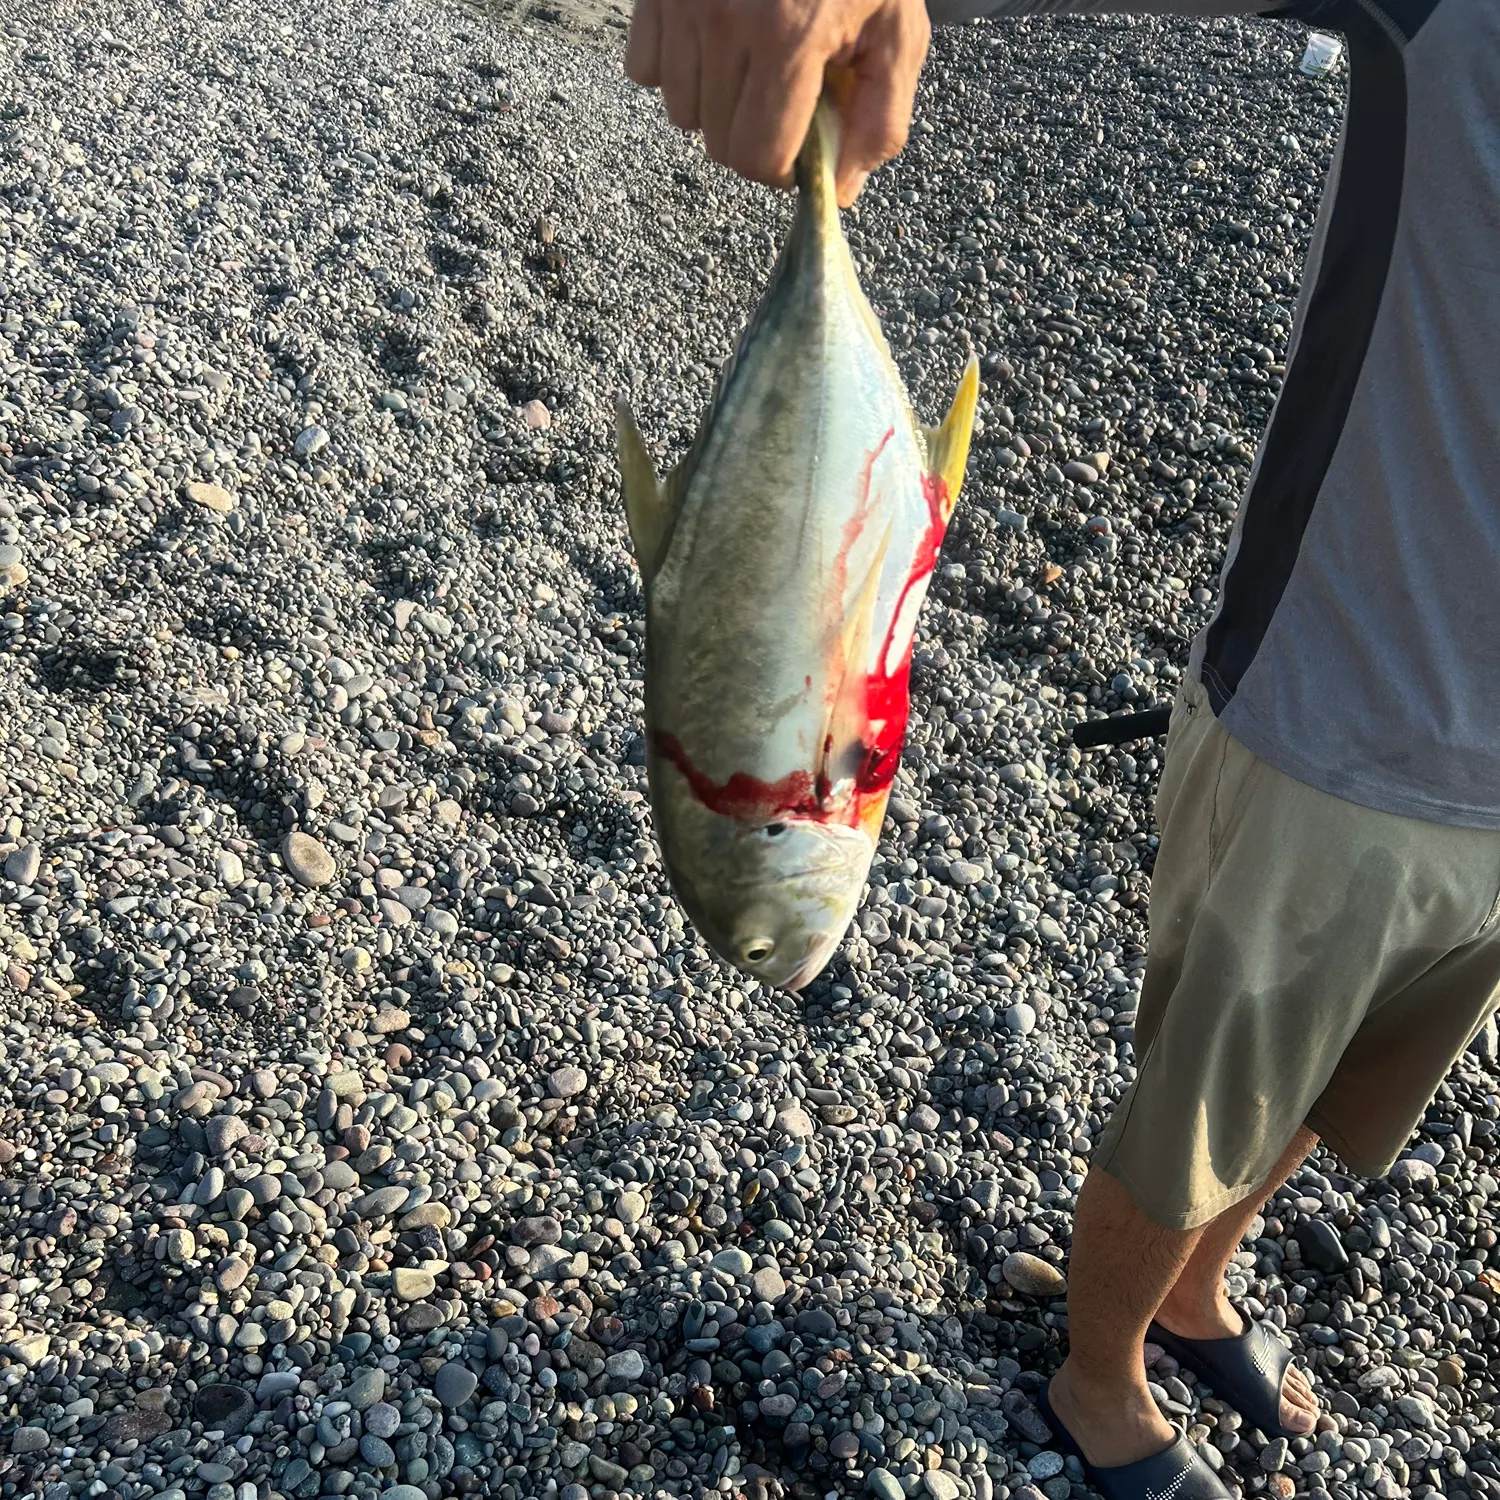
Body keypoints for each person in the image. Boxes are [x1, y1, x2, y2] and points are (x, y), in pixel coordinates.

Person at [624, 1, 1500, 1497]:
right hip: (1338, 727)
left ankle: (1192, 1293)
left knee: (1327, 1090)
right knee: (1195, 1118)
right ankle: (1098, 1376)